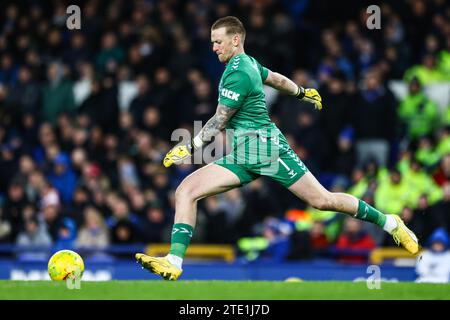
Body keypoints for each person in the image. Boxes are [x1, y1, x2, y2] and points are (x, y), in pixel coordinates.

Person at [135, 16, 419, 281]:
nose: (213, 47)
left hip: (268, 151)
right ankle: (174, 261)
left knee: (322, 200)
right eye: (212, 41)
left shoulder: (238, 73)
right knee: (186, 190)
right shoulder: (249, 64)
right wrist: (301, 92)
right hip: (243, 155)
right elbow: (276, 79)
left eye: (218, 41)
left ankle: (390, 223)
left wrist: (192, 146)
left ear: (236, 40)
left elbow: (220, 119)